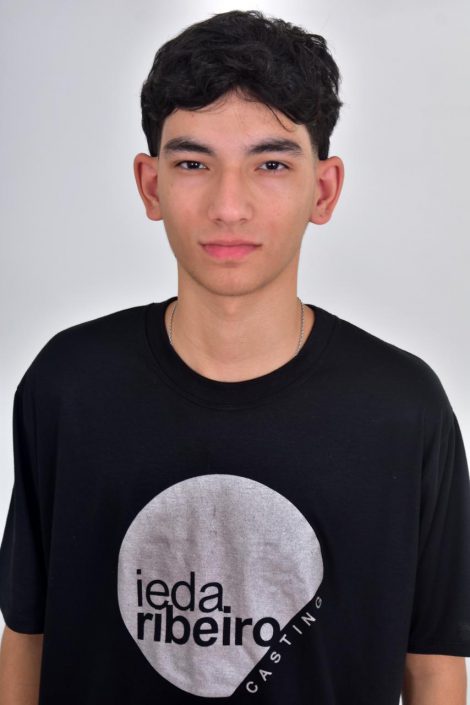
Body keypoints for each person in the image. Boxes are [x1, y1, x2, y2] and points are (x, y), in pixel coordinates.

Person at [0, 9, 469, 704]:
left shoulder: (404, 410)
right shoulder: (68, 385)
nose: (228, 205)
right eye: (193, 163)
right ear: (151, 184)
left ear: (323, 189)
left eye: (271, 164)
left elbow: (433, 665)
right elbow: (27, 635)